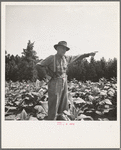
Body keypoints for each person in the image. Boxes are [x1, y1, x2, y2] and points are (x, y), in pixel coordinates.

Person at [36, 41, 97, 120]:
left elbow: (77, 57)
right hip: (54, 82)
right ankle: (51, 121)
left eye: (65, 49)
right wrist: (46, 76)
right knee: (54, 104)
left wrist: (88, 54)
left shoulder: (66, 58)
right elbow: (38, 65)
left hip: (64, 81)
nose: (64, 50)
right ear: (57, 49)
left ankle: (62, 120)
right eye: (62, 48)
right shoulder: (51, 58)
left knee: (64, 103)